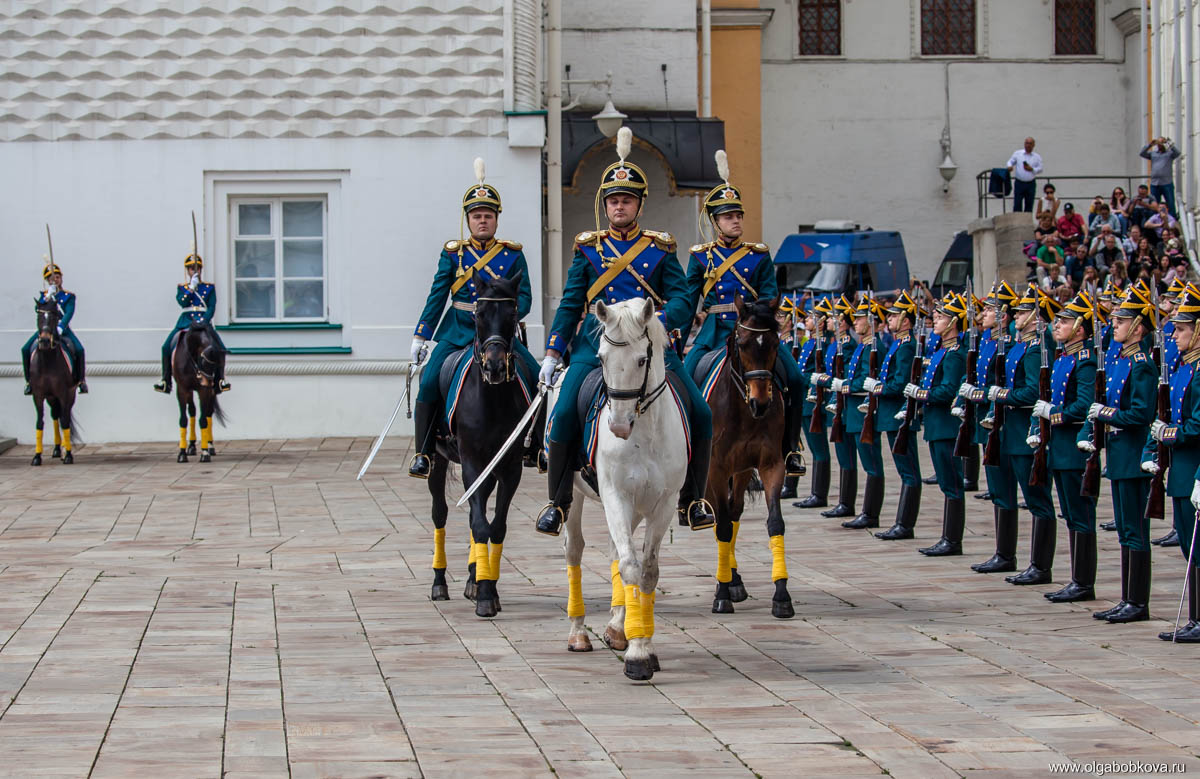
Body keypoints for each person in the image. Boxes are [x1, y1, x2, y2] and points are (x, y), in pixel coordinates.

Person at [535, 128, 714, 535]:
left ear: (639, 205)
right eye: (614, 200)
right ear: (606, 205)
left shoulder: (659, 248)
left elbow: (682, 298)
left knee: (701, 412)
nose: (620, 206)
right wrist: (553, 352)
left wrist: (658, 323)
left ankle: (693, 499)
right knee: (564, 413)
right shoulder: (588, 249)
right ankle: (558, 502)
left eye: (627, 200)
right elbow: (571, 304)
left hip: (650, 348)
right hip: (595, 348)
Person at [406, 158, 539, 478]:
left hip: (498, 335)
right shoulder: (453, 254)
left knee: (537, 378)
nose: (483, 221)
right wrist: (421, 335)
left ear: (496, 219)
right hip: (458, 331)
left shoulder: (512, 254)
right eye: (477, 216)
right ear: (467, 220)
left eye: (488, 216)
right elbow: (438, 295)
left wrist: (503, 318)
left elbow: (525, 297)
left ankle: (535, 446)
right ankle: (423, 452)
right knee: (429, 382)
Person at [684, 150, 805, 486]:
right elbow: (689, 300)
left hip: (754, 332)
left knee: (796, 379)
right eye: (727, 216)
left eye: (738, 215)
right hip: (713, 331)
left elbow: (769, 294)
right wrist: (675, 336)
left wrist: (754, 318)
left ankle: (791, 448)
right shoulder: (700, 258)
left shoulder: (758, 255)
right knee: (686, 379)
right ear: (715, 222)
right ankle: (689, 451)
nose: (735, 221)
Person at [1080, 281, 1158, 623]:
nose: (1114, 325)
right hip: (1118, 453)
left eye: (1121, 321)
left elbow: (1141, 413)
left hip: (1132, 454)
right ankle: (1127, 598)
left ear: (1138, 328)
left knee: (1135, 530)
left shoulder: (1141, 364)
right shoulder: (1120, 361)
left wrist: (1106, 415)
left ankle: (1137, 602)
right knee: (1126, 529)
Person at [984, 284, 1061, 584]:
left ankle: (1040, 566)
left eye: (1022, 312)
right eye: (1015, 312)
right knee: (1004, 492)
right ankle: (1005, 555)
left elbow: (1033, 391)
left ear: (1036, 318)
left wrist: (1003, 395)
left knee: (1037, 500)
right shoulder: (1019, 347)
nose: (1016, 316)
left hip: (1025, 433)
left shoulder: (1036, 349)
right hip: (1009, 432)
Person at [1032, 290, 1100, 601]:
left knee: (1081, 515)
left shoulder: (1084, 361)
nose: (1056, 325)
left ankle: (1083, 583)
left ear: (1081, 329)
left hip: (1074, 449)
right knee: (1071, 515)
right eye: (1057, 320)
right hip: (1059, 449)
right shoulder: (1063, 358)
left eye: (1064, 321)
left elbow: (1084, 405)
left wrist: (1053, 414)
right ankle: (1077, 580)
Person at [1145, 283, 1200, 640]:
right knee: (1189, 549)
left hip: (1194, 469)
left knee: (1199, 549)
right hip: (1180, 471)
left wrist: (1168, 433)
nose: (1174, 335)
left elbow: (1197, 425)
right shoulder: (1182, 368)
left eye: (1181, 329)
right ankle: (1195, 618)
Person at [959, 281, 1019, 570]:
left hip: (1001, 424)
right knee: (996, 489)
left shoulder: (1008, 345)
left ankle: (1007, 555)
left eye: (989, 310)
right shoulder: (987, 342)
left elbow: (1002, 387)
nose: (983, 314)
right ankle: (1001, 552)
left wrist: (982, 394)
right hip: (987, 422)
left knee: (1004, 489)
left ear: (1003, 316)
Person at [903, 292, 968, 555]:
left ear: (953, 322)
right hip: (935, 425)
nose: (935, 321)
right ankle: (947, 538)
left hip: (946, 426)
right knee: (945, 482)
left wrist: (921, 394)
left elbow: (948, 390)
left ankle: (952, 540)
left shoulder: (954, 354)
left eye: (940, 317)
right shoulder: (942, 351)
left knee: (952, 484)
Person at [872, 290, 925, 539]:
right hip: (891, 415)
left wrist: (878, 388)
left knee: (909, 472)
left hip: (899, 415)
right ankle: (902, 523)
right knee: (905, 471)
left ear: (906, 321)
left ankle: (905, 525)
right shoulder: (898, 344)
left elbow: (900, 383)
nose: (889, 319)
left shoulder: (906, 346)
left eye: (894, 316)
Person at [837, 297, 886, 529]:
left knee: (872, 464)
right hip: (855, 413)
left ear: (872, 322)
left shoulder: (874, 347)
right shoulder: (863, 345)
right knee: (867, 462)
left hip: (865, 412)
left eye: (860, 318)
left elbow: (866, 379)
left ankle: (871, 514)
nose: (854, 322)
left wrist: (844, 386)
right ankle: (866, 511)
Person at [810, 295, 860, 518]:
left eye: (832, 318)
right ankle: (843, 502)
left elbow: (844, 376)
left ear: (842, 322)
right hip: (835, 403)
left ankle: (847, 503)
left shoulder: (847, 345)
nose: (828, 321)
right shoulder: (835, 344)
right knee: (841, 453)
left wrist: (826, 381)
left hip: (844, 404)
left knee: (847, 455)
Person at [153, 249, 227, 394]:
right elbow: (182, 302)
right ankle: (166, 381)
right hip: (186, 322)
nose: (195, 271)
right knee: (166, 347)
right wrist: (191, 288)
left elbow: (212, 307)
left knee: (220, 348)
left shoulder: (209, 287)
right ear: (187, 271)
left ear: (201, 270)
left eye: (197, 268)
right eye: (192, 268)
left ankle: (220, 380)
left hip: (203, 323)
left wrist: (204, 320)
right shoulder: (183, 288)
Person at [23, 260, 88, 395]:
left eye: (57, 277)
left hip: (62, 329)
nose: (55, 280)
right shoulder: (45, 296)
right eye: (51, 278)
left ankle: (81, 381)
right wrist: (48, 296)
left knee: (79, 349)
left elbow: (69, 313)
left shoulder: (68, 296)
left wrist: (61, 326)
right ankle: (29, 382)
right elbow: (38, 308)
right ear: (48, 281)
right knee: (25, 348)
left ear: (61, 278)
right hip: (46, 329)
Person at [794, 298, 833, 508]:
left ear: (821, 322)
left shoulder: (823, 344)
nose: (807, 320)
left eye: (812, 317)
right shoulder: (810, 342)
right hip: (805, 400)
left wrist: (807, 377)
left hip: (814, 400)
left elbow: (824, 373)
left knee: (819, 449)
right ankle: (815, 493)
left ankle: (820, 494)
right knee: (813, 448)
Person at [1140, 137, 1182, 218]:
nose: (1160, 145)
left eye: (1161, 143)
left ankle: (1172, 218)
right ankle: (1155, 218)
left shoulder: (1169, 154)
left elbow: (1177, 153)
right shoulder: (1153, 154)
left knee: (1170, 202)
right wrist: (1150, 145)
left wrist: (1168, 143)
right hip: (1155, 183)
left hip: (1166, 182)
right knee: (1155, 203)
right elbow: (1142, 153)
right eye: (1158, 143)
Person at [1006, 137, 1043, 213]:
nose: (1028, 145)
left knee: (1029, 204)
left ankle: (1027, 219)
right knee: (1017, 204)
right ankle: (1017, 219)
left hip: (1030, 184)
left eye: (1030, 143)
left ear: (1033, 145)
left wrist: (1032, 169)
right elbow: (1010, 161)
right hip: (1019, 183)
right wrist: (1009, 166)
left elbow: (1040, 169)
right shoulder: (1018, 153)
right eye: (1026, 143)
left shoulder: (1037, 157)